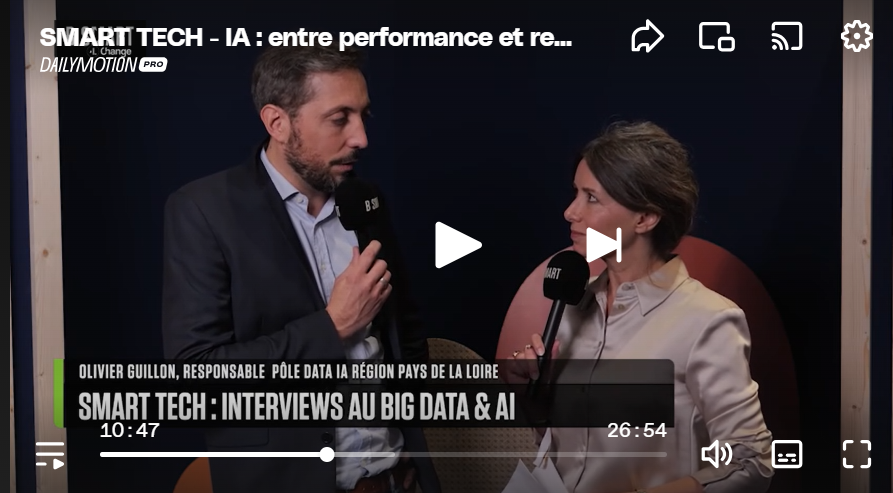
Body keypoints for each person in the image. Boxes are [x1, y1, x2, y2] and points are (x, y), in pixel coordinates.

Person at [162, 45, 440, 493]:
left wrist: (408, 453)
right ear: (277, 122)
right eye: (339, 118)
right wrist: (333, 326)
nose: (361, 138)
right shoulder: (204, 211)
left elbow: (404, 336)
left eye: (363, 116)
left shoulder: (366, 200)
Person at [509, 121, 774, 493]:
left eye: (591, 198)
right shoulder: (573, 307)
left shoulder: (708, 321)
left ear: (645, 218)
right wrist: (533, 401)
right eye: (575, 193)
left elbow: (751, 462)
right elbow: (571, 450)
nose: (570, 212)